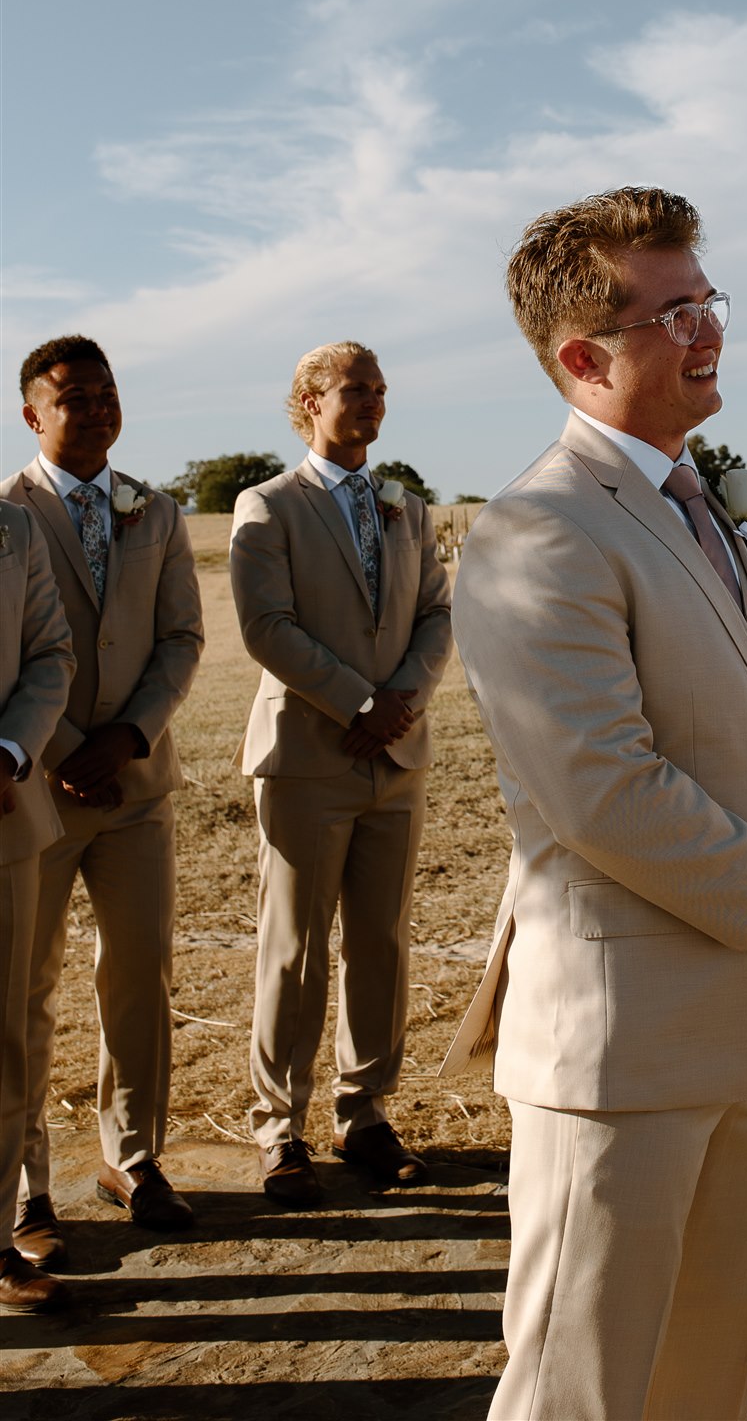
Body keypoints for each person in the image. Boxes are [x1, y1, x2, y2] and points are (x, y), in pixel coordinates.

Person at [442, 187, 747, 1421]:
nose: (711, 330)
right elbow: (603, 786)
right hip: (624, 1043)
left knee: (703, 1376)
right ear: (583, 356)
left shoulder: (723, 507)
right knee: (580, 1388)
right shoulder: (539, 529)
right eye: (677, 310)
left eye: (710, 300)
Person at [229, 343, 453, 1206]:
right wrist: (358, 703)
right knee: (295, 948)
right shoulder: (270, 504)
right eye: (356, 389)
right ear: (310, 401)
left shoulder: (408, 506)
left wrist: (402, 700)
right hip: (309, 756)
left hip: (396, 755)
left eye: (380, 390)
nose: (373, 402)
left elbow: (436, 610)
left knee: (381, 942)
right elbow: (266, 626)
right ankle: (277, 1127)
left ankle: (364, 1111)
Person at [2, 336, 204, 1256]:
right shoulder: (7, 514)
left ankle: (133, 1156)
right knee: (23, 992)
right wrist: (67, 747)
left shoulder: (152, 510)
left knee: (139, 976)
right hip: (34, 789)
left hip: (135, 786)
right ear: (32, 415)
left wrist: (131, 737)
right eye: (73, 395)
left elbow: (181, 638)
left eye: (107, 392)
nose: (96, 407)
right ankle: (26, 1188)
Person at [0, 503, 75, 1312]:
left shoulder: (11, 531)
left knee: (5, 1038)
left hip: (3, 817)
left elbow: (49, 653)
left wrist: (9, 751)